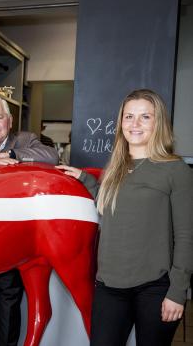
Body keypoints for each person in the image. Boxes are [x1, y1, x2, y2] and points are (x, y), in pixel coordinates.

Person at [57, 89, 193, 346]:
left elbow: (187, 237)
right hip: (109, 285)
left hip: (155, 288)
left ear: (158, 122)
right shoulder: (115, 167)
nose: (135, 124)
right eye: (129, 117)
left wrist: (177, 292)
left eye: (145, 117)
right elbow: (109, 206)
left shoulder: (176, 170)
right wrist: (84, 179)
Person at [0, 96, 58, 346]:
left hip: (11, 242)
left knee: (9, 305)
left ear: (10, 120)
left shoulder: (25, 140)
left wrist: (11, 154)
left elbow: (51, 156)